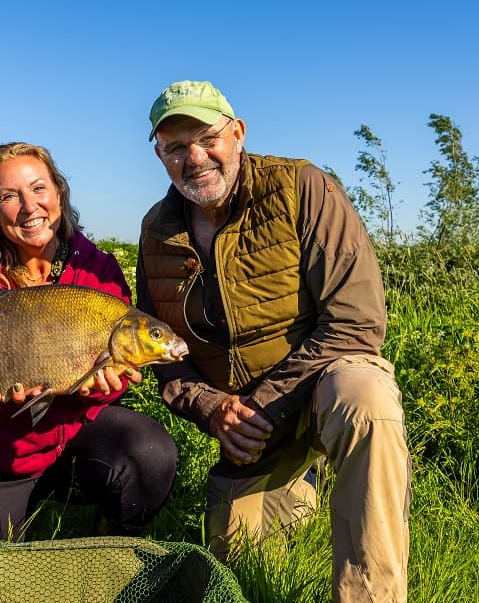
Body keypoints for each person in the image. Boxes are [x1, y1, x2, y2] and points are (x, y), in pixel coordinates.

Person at [136, 81, 411, 601]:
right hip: (249, 433)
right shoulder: (157, 230)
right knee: (236, 567)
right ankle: (303, 481)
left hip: (321, 391)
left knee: (367, 403)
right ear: (160, 155)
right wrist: (214, 409)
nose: (195, 158)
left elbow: (356, 322)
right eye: (176, 147)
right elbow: (163, 354)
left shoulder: (303, 187)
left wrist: (261, 404)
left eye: (207, 137)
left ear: (236, 133)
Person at [0, 141, 178, 541]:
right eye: (9, 196)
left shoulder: (99, 269)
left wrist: (97, 392)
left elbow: (114, 375)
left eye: (39, 188)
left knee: (149, 452)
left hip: (70, 441)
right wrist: (0, 403)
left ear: (58, 191)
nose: (29, 207)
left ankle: (113, 543)